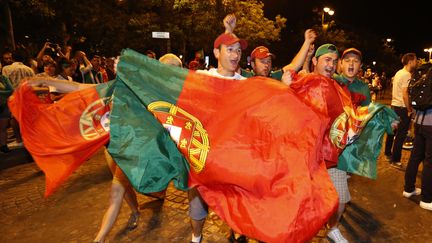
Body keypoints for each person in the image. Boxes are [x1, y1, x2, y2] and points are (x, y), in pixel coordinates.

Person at [189, 29, 247, 243]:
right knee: (197, 207)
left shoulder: (245, 84)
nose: (235, 55)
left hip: (233, 159)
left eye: (238, 51)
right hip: (204, 157)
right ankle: (196, 237)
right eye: (230, 49)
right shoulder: (202, 79)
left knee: (236, 201)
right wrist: (132, 68)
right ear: (216, 52)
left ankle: (236, 231)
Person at [403, 63, 432, 211]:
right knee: (429, 161)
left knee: (415, 156)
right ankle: (427, 199)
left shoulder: (424, 70)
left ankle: (408, 189)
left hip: (419, 121)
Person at [384, 53, 417, 168]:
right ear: (410, 61)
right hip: (402, 108)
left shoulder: (398, 73)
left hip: (394, 106)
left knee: (392, 131)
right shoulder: (407, 75)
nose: (416, 63)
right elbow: (405, 94)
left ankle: (388, 153)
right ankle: (395, 159)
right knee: (401, 135)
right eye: (415, 60)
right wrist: (409, 109)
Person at [0, 75, 13, 153]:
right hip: (4, 105)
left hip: (3, 105)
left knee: (3, 128)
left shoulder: (3, 78)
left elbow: (11, 90)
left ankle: (3, 146)